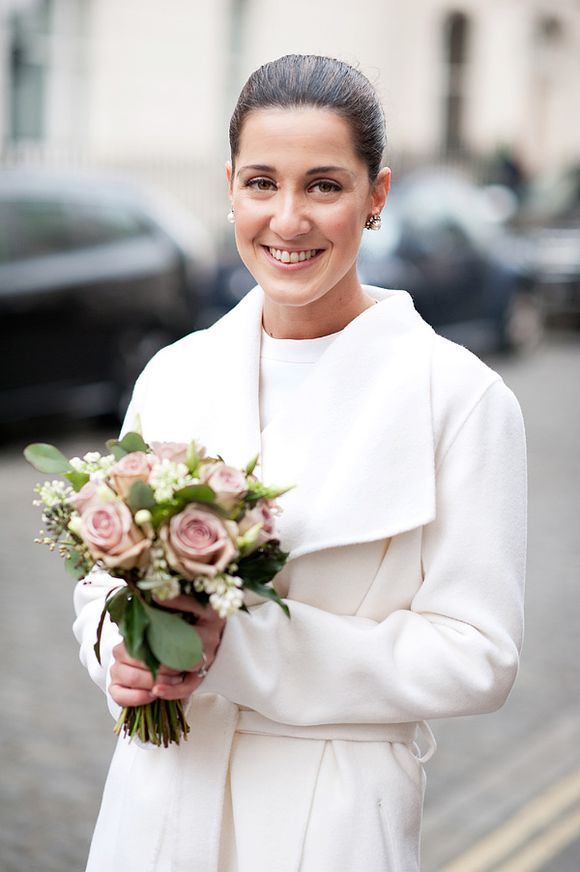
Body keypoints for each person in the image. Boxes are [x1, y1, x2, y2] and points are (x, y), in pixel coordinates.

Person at [73, 54, 526, 872]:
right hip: (157, 802)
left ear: (376, 196)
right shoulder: (175, 372)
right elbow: (101, 582)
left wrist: (229, 650)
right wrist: (120, 650)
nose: (287, 220)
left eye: (324, 185)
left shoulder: (459, 398)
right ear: (229, 188)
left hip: (331, 819)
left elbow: (477, 657)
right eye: (260, 183)